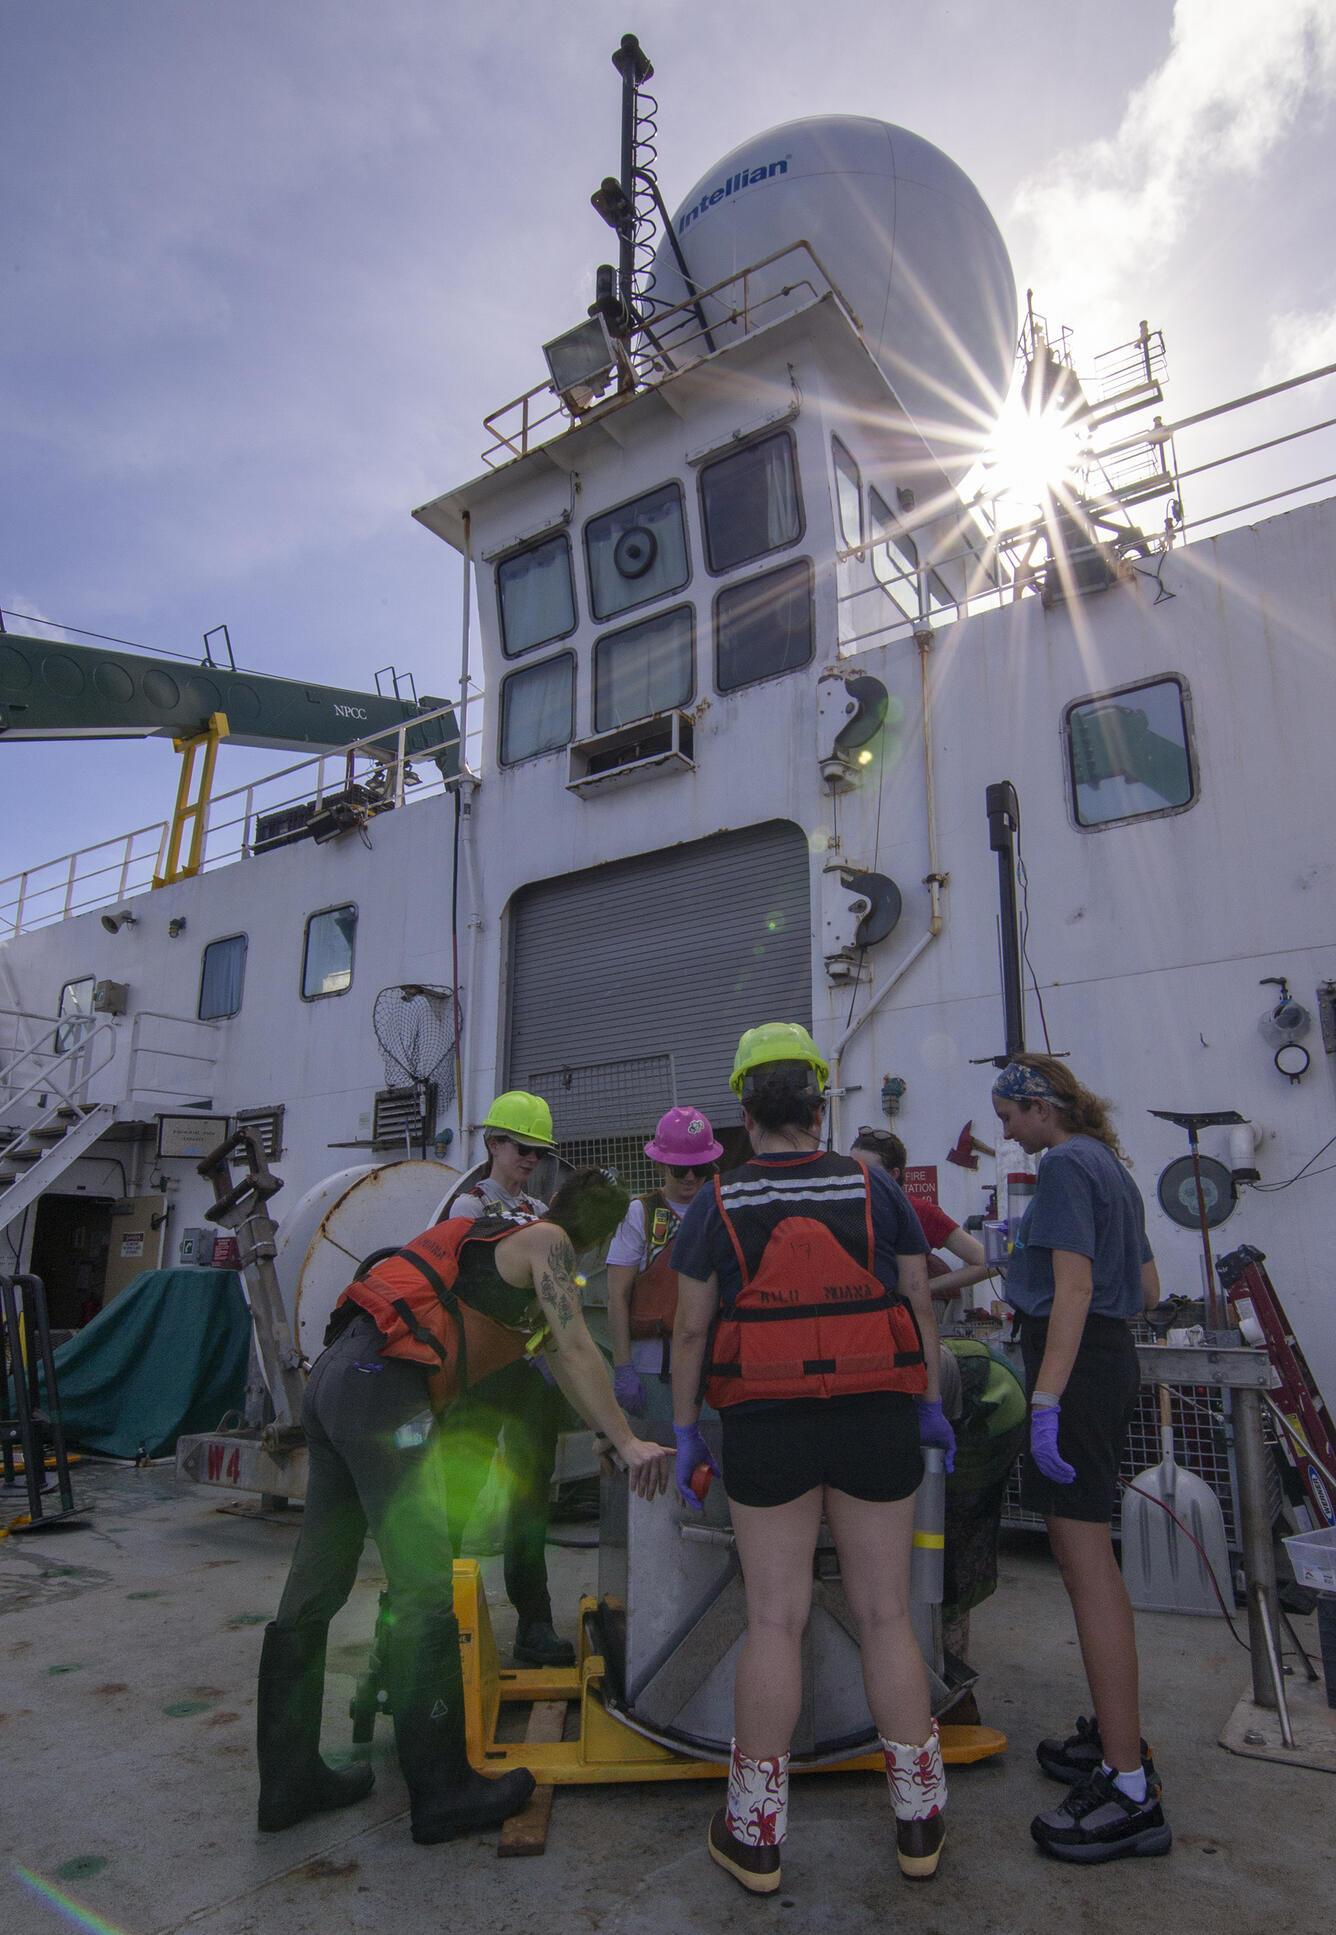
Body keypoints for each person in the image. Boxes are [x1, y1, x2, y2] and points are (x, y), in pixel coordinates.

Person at [256, 1167, 672, 1846]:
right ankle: (443, 1792)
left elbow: (557, 1357)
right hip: (386, 1392)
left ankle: (287, 1780)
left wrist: (604, 1432)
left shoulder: (499, 1236)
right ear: (594, 1241)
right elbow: (573, 1339)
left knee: (314, 1585)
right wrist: (629, 1440)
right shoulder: (552, 1248)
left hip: (334, 1376)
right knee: (424, 1591)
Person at [670, 1023, 956, 1894]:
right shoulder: (876, 1187)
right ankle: (919, 1821)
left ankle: (756, 1835)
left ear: (745, 1108)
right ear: (820, 1101)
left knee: (775, 1620)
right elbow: (914, 1294)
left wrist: (684, 1428)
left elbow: (688, 1327)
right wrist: (931, 1402)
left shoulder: (715, 1202)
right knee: (886, 1617)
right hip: (876, 1415)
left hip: (767, 1422)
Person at [990, 1053, 1170, 1864]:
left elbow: (1070, 1289)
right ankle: (1116, 1734)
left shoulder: (1064, 1162)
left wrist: (1046, 1400)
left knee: (1084, 1556)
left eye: (1009, 1116)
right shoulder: (1112, 1165)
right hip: (1107, 1355)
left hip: (1077, 1364)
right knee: (1084, 1554)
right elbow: (1151, 1285)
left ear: (1040, 1106)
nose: (1005, 1131)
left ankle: (1129, 1786)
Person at [441, 1091, 572, 1667]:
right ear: (494, 1144)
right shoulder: (465, 1213)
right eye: (522, 1148)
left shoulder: (541, 1215)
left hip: (526, 1377)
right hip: (475, 1377)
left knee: (528, 1502)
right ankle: (431, 1621)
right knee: (454, 1500)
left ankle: (534, 1626)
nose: (531, 1159)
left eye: (539, 1152)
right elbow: (448, 1294)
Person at [606, 1106, 724, 1422]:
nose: (689, 1177)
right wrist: (623, 1367)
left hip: (711, 1365)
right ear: (660, 1164)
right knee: (657, 1467)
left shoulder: (722, 1211)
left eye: (699, 1168)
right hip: (653, 1368)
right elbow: (617, 1295)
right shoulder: (640, 1213)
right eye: (679, 1169)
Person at [851, 1127, 990, 1315]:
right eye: (851, 1170)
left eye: (868, 1173)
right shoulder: (842, 1209)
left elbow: (987, 1263)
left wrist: (924, 1287)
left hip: (901, 1316)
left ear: (893, 1174)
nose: (856, 1179)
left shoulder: (919, 1211)